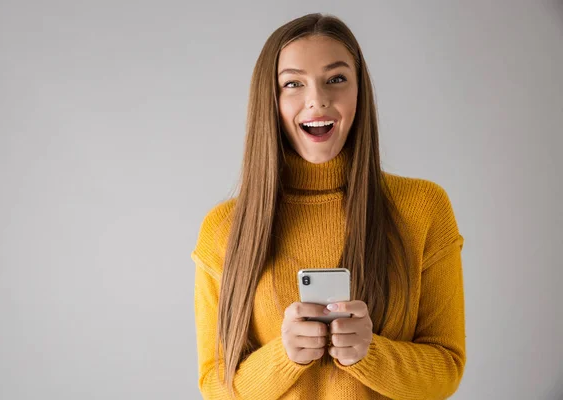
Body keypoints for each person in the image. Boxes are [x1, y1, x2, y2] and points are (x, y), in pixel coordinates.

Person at [191, 12, 466, 400]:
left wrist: (372, 353)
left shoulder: (423, 208)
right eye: (293, 84)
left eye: (336, 79)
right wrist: (284, 357)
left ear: (360, 92)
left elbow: (447, 370)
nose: (317, 99)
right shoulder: (224, 228)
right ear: (270, 100)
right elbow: (214, 386)